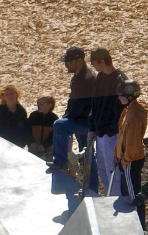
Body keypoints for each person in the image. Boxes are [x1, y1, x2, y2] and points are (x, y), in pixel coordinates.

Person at [47, 46, 97, 190]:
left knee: (59, 125)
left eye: (68, 62)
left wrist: (67, 119)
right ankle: (91, 188)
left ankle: (61, 162)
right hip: (82, 120)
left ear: (79, 60)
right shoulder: (79, 77)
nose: (66, 65)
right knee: (88, 154)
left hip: (86, 122)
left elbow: (77, 106)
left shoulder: (86, 79)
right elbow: (72, 102)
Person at [86, 47, 126, 196]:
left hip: (112, 135)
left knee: (113, 173)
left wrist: (109, 131)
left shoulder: (119, 80)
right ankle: (110, 198)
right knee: (103, 169)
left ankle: (117, 201)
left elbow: (119, 111)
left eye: (94, 62)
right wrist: (92, 128)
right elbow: (94, 105)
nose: (93, 66)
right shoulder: (100, 78)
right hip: (100, 133)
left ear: (102, 61)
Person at [114, 78, 148, 227]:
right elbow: (122, 135)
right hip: (125, 158)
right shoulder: (128, 111)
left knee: (133, 195)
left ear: (128, 96)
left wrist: (125, 160)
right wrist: (116, 154)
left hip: (131, 160)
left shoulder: (134, 115)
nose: (118, 98)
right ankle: (131, 224)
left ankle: (139, 226)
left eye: (120, 95)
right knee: (126, 192)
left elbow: (133, 143)